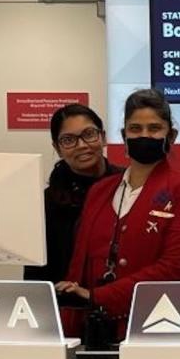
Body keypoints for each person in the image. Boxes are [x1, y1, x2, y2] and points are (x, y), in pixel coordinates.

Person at [55, 89, 180, 343]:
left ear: (171, 135)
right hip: (92, 330)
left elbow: (175, 268)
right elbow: (79, 262)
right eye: (135, 129)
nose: (144, 135)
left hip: (152, 325)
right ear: (123, 135)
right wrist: (69, 320)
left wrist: (97, 296)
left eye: (154, 128)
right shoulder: (101, 190)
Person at [25, 104, 122, 283]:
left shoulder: (127, 185)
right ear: (57, 147)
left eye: (89, 134)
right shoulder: (46, 203)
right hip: (64, 301)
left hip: (120, 297)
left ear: (103, 137)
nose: (82, 145)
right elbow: (35, 274)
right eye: (68, 140)